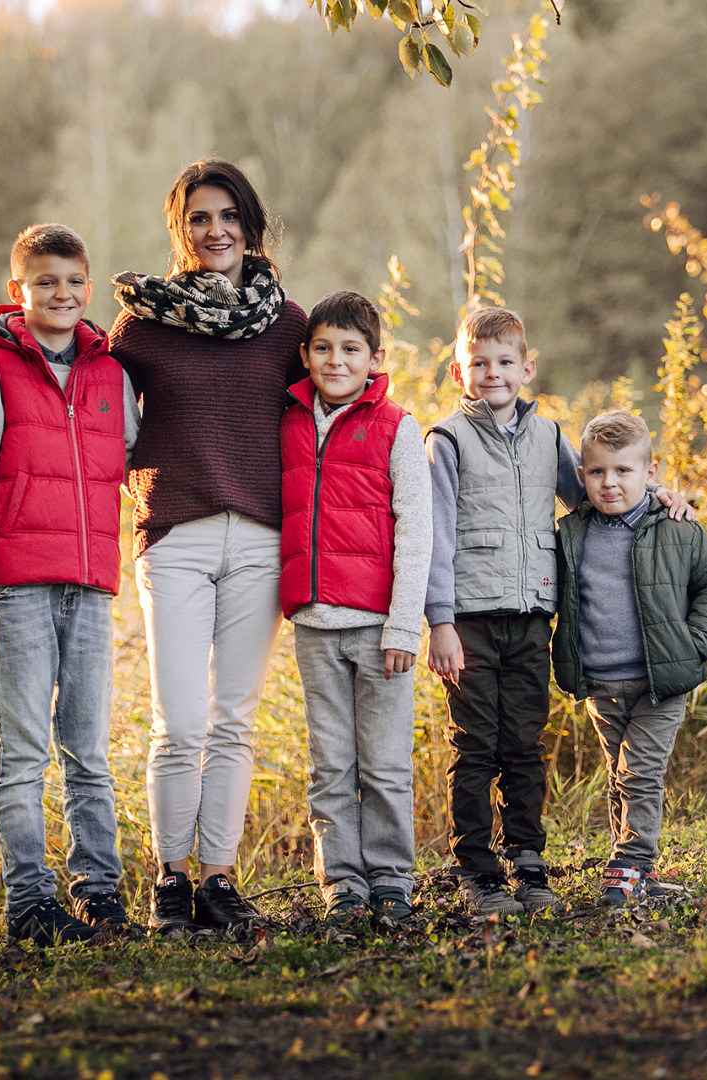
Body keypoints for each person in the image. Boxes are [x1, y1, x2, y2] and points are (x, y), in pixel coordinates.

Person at [424, 307, 691, 917]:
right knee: (474, 745)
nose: (492, 373)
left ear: (527, 366)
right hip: (468, 620)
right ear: (458, 371)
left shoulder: (548, 437)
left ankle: (528, 861)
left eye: (504, 362)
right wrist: (438, 619)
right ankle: (478, 872)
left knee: (523, 742)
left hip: (530, 619)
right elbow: (435, 535)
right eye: (479, 364)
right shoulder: (446, 440)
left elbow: (600, 491)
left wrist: (659, 495)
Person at [109, 160, 307, 936]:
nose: (215, 230)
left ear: (250, 225)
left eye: (227, 215)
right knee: (179, 723)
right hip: (176, 536)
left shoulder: (288, 326)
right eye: (198, 218)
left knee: (234, 720)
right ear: (179, 232)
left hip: (262, 538)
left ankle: (219, 880)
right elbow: (97, 418)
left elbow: (334, 414)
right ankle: (170, 879)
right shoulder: (143, 326)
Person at [0, 223, 143, 947]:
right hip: (18, 586)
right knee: (23, 753)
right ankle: (30, 902)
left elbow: (133, 461)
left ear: (88, 289)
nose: (60, 294)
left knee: (88, 750)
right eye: (45, 283)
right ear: (17, 293)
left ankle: (101, 894)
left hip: (90, 586)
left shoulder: (110, 374)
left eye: (72, 282)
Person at [279, 291, 430, 929]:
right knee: (331, 764)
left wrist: (404, 625)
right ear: (306, 355)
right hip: (314, 628)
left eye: (349, 349)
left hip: (378, 630)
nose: (334, 361)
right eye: (322, 348)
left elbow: (415, 530)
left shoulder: (396, 427)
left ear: (375, 358)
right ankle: (343, 881)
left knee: (387, 763)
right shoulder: (286, 422)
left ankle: (392, 880)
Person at [553, 410, 707, 905]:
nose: (609, 483)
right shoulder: (572, 533)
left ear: (649, 474)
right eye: (596, 472)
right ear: (582, 474)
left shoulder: (675, 527)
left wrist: (693, 644)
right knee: (619, 774)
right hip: (601, 683)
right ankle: (634, 866)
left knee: (640, 771)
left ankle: (631, 862)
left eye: (623, 471)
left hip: (660, 681)